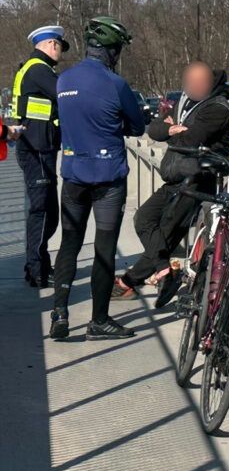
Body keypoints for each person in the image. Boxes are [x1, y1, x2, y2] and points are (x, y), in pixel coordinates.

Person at [50, 17, 146, 340]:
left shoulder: (63, 81)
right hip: (107, 178)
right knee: (104, 249)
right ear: (112, 51)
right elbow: (137, 126)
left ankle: (60, 314)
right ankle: (99, 320)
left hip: (73, 176)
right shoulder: (115, 84)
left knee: (69, 243)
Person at [111, 62, 229, 306]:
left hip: (199, 181)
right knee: (144, 218)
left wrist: (172, 129)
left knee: (166, 234)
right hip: (176, 175)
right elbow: (154, 130)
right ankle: (165, 271)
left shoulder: (217, 108)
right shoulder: (187, 101)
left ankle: (129, 282)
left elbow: (191, 138)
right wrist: (170, 128)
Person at [11, 25, 68, 287]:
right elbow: (65, 95)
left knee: (48, 212)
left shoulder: (35, 69)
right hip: (35, 149)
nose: (60, 52)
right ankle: (35, 270)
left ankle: (40, 265)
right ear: (50, 44)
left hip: (39, 147)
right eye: (59, 46)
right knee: (42, 210)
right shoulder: (38, 70)